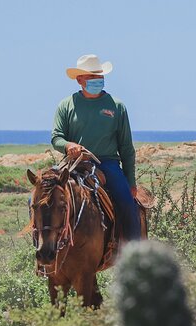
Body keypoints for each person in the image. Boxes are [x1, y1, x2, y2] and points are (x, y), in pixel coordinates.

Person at [51, 54, 141, 241]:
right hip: (74, 163)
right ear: (79, 80)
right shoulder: (66, 105)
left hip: (107, 164)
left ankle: (136, 252)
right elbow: (56, 138)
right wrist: (69, 145)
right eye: (92, 76)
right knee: (39, 198)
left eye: (99, 75)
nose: (98, 80)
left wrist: (131, 181)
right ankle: (44, 253)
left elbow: (126, 147)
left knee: (127, 203)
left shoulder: (117, 106)